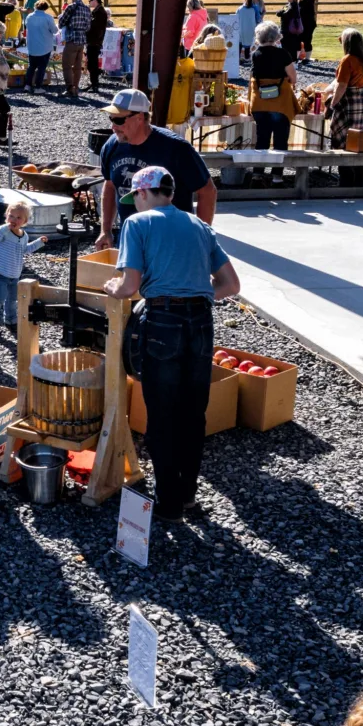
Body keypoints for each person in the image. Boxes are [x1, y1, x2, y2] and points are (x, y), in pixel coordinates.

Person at [100, 166, 239, 520]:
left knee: (161, 416)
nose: (134, 206)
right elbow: (230, 284)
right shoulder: (199, 226)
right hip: (201, 323)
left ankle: (169, 504)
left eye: (135, 199)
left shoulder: (137, 225)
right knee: (193, 415)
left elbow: (129, 285)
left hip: (162, 321)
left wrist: (110, 289)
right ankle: (189, 497)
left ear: (144, 193)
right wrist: (199, 294)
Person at [93, 88, 216, 247]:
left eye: (118, 120)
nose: (113, 127)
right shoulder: (111, 146)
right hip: (132, 241)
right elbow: (110, 186)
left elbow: (207, 191)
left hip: (172, 243)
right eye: (111, 118)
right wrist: (106, 230)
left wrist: (202, 236)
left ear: (139, 118)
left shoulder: (176, 148)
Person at [0, 198, 46, 330]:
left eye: (18, 218)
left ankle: (11, 320)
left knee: (12, 299)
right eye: (11, 216)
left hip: (13, 272)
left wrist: (39, 242)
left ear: (25, 221)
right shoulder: (4, 231)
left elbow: (25, 250)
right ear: (6, 216)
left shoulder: (24, 235)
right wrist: (5, 227)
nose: (13, 220)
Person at [246, 21, 298, 154]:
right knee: (280, 142)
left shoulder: (255, 55)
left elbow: (252, 77)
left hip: (260, 103)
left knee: (262, 140)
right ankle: (277, 174)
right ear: (276, 36)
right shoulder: (283, 54)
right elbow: (293, 78)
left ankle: (258, 172)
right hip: (280, 103)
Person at [21, 0, 59, 92]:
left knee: (31, 67)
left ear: (35, 6)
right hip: (44, 46)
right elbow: (54, 31)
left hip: (32, 46)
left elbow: (26, 27)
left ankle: (27, 85)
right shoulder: (48, 17)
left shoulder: (29, 16)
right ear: (45, 8)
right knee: (41, 67)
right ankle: (38, 87)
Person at [230, 0, 265, 84]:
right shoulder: (255, 8)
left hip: (241, 29)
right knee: (248, 44)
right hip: (251, 29)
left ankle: (237, 59)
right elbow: (258, 19)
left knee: (240, 43)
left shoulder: (240, 9)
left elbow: (235, 17)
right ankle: (247, 58)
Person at [84, 0, 110, 91]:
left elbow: (94, 27)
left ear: (95, 0)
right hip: (94, 41)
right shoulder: (98, 11)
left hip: (94, 41)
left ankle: (95, 84)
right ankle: (93, 83)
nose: (89, 2)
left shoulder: (99, 12)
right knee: (92, 63)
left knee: (92, 64)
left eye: (90, 0)